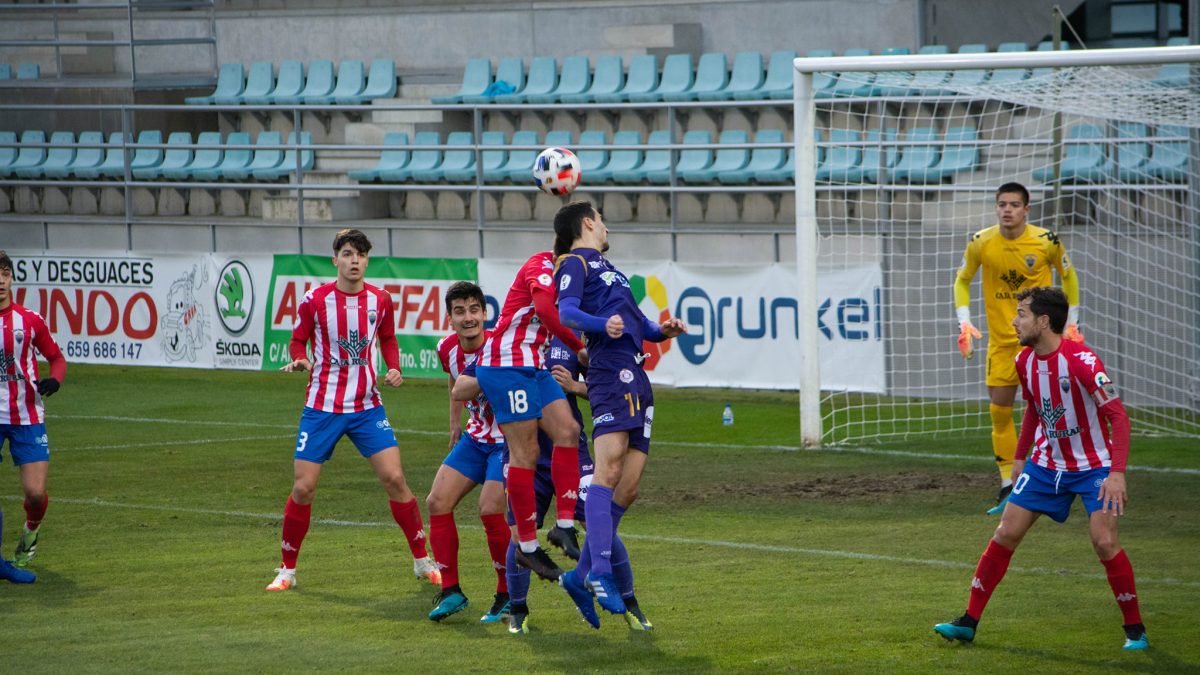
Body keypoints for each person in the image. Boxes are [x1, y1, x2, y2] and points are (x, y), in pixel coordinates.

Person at [934, 286, 1148, 651]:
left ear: (1044, 321)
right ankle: (968, 622)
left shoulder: (1083, 361)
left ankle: (1135, 631)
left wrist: (1116, 473)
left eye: (1022, 314)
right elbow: (1034, 407)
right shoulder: (1024, 361)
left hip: (1094, 467)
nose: (1014, 321)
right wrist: (1020, 459)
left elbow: (1119, 418)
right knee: (1005, 532)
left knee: (1105, 541)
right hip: (1045, 465)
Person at [266, 229, 438, 592]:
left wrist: (394, 367)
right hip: (322, 407)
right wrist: (299, 359)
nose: (354, 260)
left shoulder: (380, 299)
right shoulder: (314, 300)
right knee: (303, 488)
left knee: (395, 479)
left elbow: (389, 338)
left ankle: (422, 561)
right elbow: (298, 340)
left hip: (366, 406)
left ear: (367, 261)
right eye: (347, 253)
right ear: (335, 260)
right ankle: (287, 569)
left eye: (360, 254)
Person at [550, 201, 684, 626]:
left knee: (627, 489)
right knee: (607, 473)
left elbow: (637, 323)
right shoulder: (573, 262)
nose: (606, 226)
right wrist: (598, 324)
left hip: (637, 378)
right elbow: (566, 311)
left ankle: (580, 575)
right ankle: (601, 575)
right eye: (601, 219)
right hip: (609, 374)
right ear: (588, 223)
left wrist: (661, 331)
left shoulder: (612, 269)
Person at [450, 339, 597, 635]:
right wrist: (495, 376)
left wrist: (574, 387)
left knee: (595, 519)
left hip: (571, 454)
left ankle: (593, 594)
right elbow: (460, 389)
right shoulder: (504, 347)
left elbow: (603, 391)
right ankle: (517, 608)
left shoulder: (568, 342)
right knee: (519, 533)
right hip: (521, 455)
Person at [954, 182, 1083, 514]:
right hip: (1001, 343)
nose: (1006, 210)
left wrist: (1071, 323)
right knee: (999, 410)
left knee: (1050, 409)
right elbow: (962, 279)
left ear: (1027, 209)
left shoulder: (1046, 241)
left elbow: (1069, 277)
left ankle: (1064, 473)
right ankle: (1007, 484)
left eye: (1013, 204)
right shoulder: (981, 242)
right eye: (1001, 204)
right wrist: (964, 321)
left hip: (1041, 342)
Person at [472, 250, 589, 582]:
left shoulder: (576, 276)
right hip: (507, 364)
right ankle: (525, 544)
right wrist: (575, 345)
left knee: (567, 430)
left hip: (533, 367)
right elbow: (543, 309)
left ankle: (563, 527)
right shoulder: (542, 263)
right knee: (526, 453)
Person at [426, 282, 511, 624]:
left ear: (485, 314)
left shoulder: (502, 347)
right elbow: (453, 381)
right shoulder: (446, 347)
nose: (468, 318)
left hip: (507, 442)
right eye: (460, 312)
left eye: (474, 310)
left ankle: (507, 595)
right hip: (475, 439)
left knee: (490, 511)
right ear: (450, 318)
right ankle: (451, 591)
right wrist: (453, 424)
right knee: (436, 502)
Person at [0, 250, 66, 582]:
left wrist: (55, 378)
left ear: (11, 278)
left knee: (36, 494)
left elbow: (56, 358)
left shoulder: (29, 319)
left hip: (27, 416)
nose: (0, 280)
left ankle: (30, 532)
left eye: (5, 273)